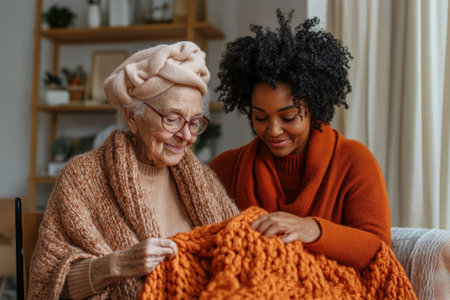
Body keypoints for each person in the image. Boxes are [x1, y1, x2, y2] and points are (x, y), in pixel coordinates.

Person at [27, 41, 239, 299]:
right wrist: (115, 265)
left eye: (194, 122)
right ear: (132, 117)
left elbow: (239, 253)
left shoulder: (203, 179)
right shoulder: (81, 177)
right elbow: (48, 285)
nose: (187, 136)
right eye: (172, 119)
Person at [209, 10, 391, 272]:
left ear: (314, 107)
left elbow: (378, 250)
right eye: (260, 117)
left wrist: (313, 229)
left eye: (289, 117)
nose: (273, 130)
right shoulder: (226, 167)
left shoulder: (354, 161)